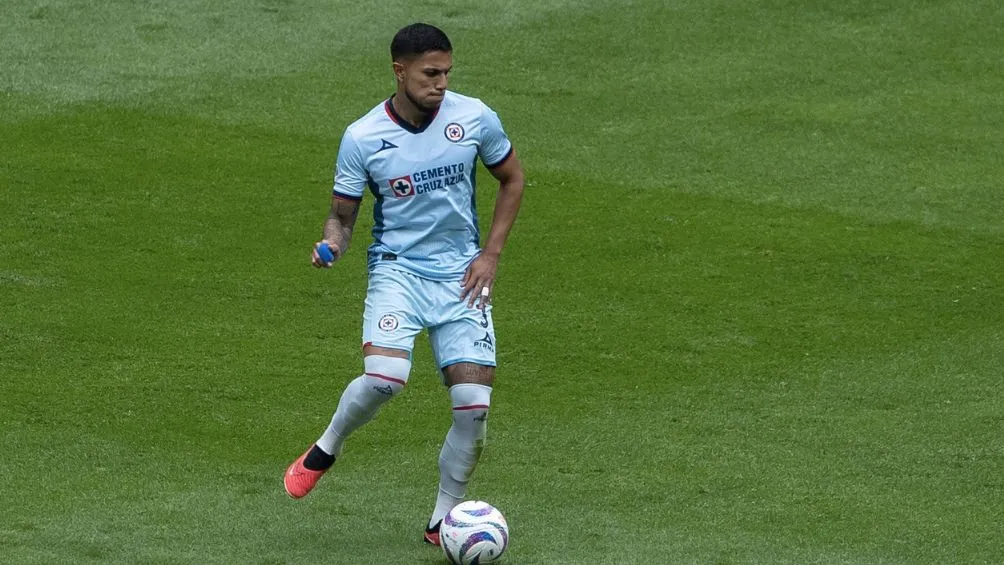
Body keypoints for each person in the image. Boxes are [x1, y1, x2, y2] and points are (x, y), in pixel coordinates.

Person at [283, 22, 525, 546]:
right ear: (400, 71)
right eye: (430, 73)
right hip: (398, 270)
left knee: (473, 405)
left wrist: (491, 255)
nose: (441, 84)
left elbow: (513, 178)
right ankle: (327, 445)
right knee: (386, 377)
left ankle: (442, 521)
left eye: (447, 73)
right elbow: (342, 217)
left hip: (463, 273)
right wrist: (332, 246)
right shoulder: (364, 137)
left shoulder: (474, 117)